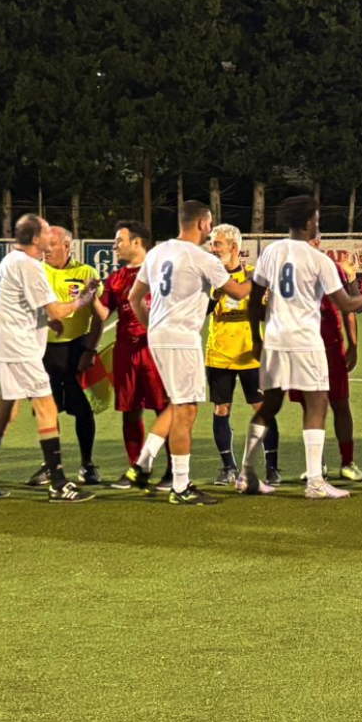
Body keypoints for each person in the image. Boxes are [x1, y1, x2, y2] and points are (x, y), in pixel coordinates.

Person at [236, 196, 362, 499]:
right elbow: (346, 304)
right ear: (308, 222)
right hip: (305, 343)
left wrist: (257, 338)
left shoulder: (271, 251)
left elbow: (255, 299)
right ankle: (314, 482)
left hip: (275, 340)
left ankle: (246, 474)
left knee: (269, 406)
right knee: (317, 405)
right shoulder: (318, 259)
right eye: (317, 220)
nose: (318, 225)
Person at [0, 214, 101, 501]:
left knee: (6, 411)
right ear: (36, 238)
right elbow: (55, 310)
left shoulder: (11, 261)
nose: (50, 238)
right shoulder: (29, 266)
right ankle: (59, 483)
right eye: (47, 233)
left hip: (5, 345)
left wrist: (47, 321)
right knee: (47, 406)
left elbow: (25, 305)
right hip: (20, 348)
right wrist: (84, 299)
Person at [123, 201, 253, 504]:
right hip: (181, 338)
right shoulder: (200, 257)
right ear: (204, 224)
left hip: (159, 335)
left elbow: (134, 297)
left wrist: (153, 327)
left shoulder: (157, 252)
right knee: (187, 409)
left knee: (178, 403)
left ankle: (144, 462)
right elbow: (239, 292)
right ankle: (181, 486)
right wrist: (261, 278)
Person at [98, 221, 171, 488]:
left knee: (164, 409)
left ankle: (173, 472)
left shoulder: (162, 271)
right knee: (130, 411)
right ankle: (136, 470)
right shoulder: (115, 278)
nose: (115, 245)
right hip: (125, 351)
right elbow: (104, 314)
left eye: (119, 240)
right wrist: (88, 295)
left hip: (155, 350)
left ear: (137, 242)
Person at [32, 226, 103, 486]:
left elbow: (99, 318)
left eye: (51, 244)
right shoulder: (36, 271)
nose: (45, 250)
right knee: (46, 410)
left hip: (76, 349)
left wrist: (90, 350)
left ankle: (87, 464)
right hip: (42, 352)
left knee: (83, 410)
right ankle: (50, 465)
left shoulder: (86, 272)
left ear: (67, 246)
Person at [298, 237, 362, 481]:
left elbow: (348, 309)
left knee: (340, 403)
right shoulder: (291, 268)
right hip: (303, 347)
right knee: (309, 406)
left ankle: (348, 462)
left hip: (330, 345)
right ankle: (317, 465)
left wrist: (353, 344)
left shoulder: (330, 267)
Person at [205, 224, 261, 485]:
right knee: (221, 408)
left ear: (234, 248)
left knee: (262, 409)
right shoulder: (207, 277)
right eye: (211, 243)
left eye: (217, 244)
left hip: (251, 355)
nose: (212, 248)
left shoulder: (252, 275)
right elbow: (201, 312)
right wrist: (213, 296)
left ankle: (270, 465)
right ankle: (228, 467)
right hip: (219, 354)